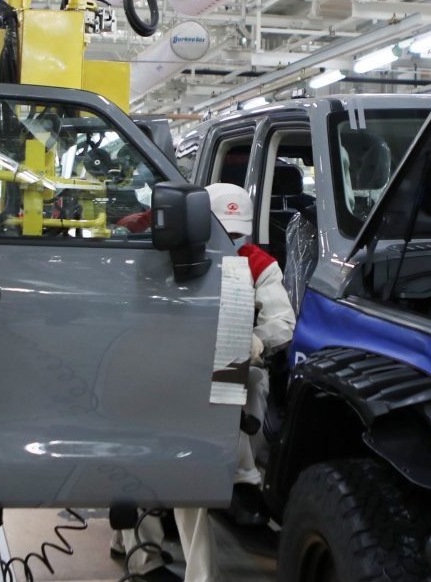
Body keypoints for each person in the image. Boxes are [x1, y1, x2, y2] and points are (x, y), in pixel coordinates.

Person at [115, 183, 296, 581]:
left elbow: (282, 322)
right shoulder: (155, 253)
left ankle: (239, 483)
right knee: (134, 459)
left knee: (196, 466)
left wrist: (257, 341)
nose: (229, 242)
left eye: (235, 235)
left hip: (224, 361)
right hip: (152, 362)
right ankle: (140, 556)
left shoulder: (256, 262)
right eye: (222, 233)